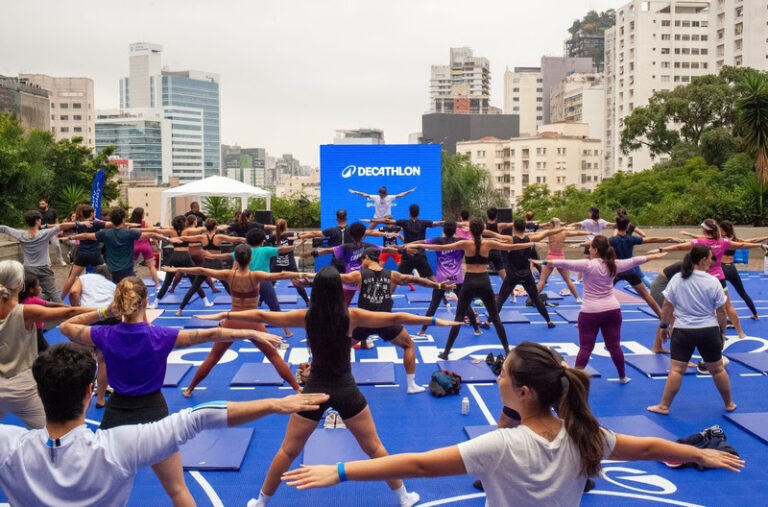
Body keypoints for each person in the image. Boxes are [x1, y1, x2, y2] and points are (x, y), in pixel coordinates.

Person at [281, 341, 744, 507]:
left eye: (501, 374)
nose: (496, 378)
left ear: (524, 393)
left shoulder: (500, 446)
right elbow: (645, 449)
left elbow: (420, 466)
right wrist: (698, 452)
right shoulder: (585, 436)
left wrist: (339, 471)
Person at [200, 266, 459, 507]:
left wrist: (227, 314)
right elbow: (394, 316)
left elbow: (261, 314)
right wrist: (436, 322)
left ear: (317, 291)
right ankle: (404, 497)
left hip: (314, 391)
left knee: (288, 450)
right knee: (374, 448)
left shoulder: (306, 317)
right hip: (347, 390)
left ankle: (261, 502)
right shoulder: (352, 316)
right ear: (338, 289)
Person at [0, 341, 328, 506]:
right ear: (90, 391)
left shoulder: (8, 446)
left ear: (39, 391)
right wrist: (275, 403)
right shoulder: (118, 447)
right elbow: (199, 417)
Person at [59, 276, 285, 506]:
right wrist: (253, 333)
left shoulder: (104, 335)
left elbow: (65, 326)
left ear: (119, 303)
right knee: (177, 490)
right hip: (155, 414)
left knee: (99, 489)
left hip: (117, 414)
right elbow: (214, 334)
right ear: (145, 301)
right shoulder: (161, 336)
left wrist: (104, 312)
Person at [164, 244, 309, 396]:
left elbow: (201, 270)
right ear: (250, 258)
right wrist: (309, 275)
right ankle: (297, 388)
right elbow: (281, 275)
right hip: (252, 321)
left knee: (213, 357)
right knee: (273, 356)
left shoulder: (229, 274)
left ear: (236, 259)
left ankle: (189, 389)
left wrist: (177, 270)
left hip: (232, 321)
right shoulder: (255, 275)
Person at [531, 236, 667, 383]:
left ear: (595, 250)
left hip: (590, 313)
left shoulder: (588, 265)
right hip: (612, 311)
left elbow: (565, 263)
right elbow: (635, 260)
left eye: (590, 247)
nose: (589, 249)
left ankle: (575, 380)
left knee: (585, 348)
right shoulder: (614, 264)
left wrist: (543, 262)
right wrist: (655, 255)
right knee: (614, 346)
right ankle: (623, 376)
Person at [417, 219, 539, 360]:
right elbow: (513, 247)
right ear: (482, 230)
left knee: (458, 317)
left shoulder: (465, 243)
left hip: (469, 282)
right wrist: (533, 244)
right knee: (495, 318)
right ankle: (507, 350)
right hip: (484, 282)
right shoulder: (488, 243)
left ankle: (446, 353)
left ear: (471, 231)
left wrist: (416, 244)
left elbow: (438, 248)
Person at [338, 247, 453, 393]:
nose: (361, 263)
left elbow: (330, 277)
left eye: (361, 260)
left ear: (366, 258)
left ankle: (342, 384)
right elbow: (415, 280)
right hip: (386, 321)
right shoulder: (392, 275)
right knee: (408, 345)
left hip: (363, 322)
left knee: (341, 349)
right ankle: (411, 385)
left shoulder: (358, 275)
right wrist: (437, 285)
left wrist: (301, 275)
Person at [0, 260, 93, 429]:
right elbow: (70, 312)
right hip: (22, 389)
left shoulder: (25, 310)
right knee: (56, 434)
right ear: (20, 284)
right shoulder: (24, 312)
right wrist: (106, 310)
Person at [647, 246, 736, 415]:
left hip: (683, 331)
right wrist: (722, 332)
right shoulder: (712, 281)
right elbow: (721, 311)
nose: (712, 261)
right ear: (702, 260)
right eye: (710, 258)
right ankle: (729, 403)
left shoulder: (678, 279)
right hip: (708, 331)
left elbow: (667, 306)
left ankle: (664, 406)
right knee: (717, 369)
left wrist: (664, 326)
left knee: (676, 370)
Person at [662, 219, 762, 339]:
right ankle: (740, 332)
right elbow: (742, 245)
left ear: (704, 229)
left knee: (703, 305)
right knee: (727, 305)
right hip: (719, 278)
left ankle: (704, 330)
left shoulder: (700, 241)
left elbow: (679, 247)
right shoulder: (723, 241)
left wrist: (662, 249)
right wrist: (760, 245)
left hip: (705, 279)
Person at [609, 215, 681, 353]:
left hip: (617, 271)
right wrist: (669, 238)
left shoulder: (612, 240)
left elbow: (597, 245)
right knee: (647, 297)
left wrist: (582, 245)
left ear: (616, 226)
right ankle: (662, 318)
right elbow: (652, 239)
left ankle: (581, 321)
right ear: (628, 225)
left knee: (599, 295)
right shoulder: (631, 239)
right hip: (629, 270)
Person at [492, 219, 564, 329]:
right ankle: (549, 321)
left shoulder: (510, 239)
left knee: (501, 299)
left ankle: (488, 322)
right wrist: (563, 229)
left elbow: (493, 234)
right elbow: (546, 233)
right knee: (536, 298)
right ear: (524, 228)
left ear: (513, 228)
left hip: (513, 275)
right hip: (526, 274)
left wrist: (477, 230)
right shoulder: (530, 239)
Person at [412, 221, 481, 337]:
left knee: (433, 306)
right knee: (465, 304)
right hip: (457, 279)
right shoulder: (461, 242)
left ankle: (422, 331)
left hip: (441, 279)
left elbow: (421, 242)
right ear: (455, 231)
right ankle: (477, 329)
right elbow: (478, 242)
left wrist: (408, 245)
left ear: (444, 231)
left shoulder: (438, 241)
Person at [70, 208, 167, 284]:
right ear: (123, 219)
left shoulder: (105, 233)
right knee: (134, 291)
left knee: (115, 292)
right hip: (127, 271)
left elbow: (86, 235)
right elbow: (152, 234)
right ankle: (154, 289)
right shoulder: (129, 233)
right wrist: (168, 239)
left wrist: (70, 237)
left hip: (112, 271)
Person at [0, 211, 78, 302]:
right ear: (37, 221)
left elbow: (4, 228)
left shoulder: (21, 234)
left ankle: (24, 310)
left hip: (28, 269)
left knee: (27, 293)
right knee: (52, 293)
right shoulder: (44, 233)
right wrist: (82, 223)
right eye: (40, 219)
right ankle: (65, 312)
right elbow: (61, 226)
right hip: (43, 268)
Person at [312, 222, 396, 306]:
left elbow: (328, 250)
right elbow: (386, 249)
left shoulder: (345, 247)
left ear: (351, 235)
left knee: (343, 306)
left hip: (350, 281)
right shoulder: (369, 246)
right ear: (363, 234)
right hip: (365, 281)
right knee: (370, 306)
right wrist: (400, 251)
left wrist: (317, 253)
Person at [172, 218, 245, 315]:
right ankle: (240, 308)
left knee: (194, 287)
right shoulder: (219, 237)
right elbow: (236, 239)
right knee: (228, 286)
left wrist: (173, 239)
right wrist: (247, 239)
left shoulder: (203, 237)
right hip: (217, 265)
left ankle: (180, 310)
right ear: (215, 227)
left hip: (206, 264)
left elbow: (186, 238)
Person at [151, 215, 213, 308]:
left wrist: (144, 229)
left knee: (167, 282)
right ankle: (206, 302)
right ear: (184, 222)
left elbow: (156, 231)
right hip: (185, 257)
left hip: (175, 256)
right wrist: (213, 226)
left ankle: (155, 303)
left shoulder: (171, 231)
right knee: (194, 281)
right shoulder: (187, 231)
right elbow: (201, 230)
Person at [373, 204, 444, 281]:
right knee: (431, 277)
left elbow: (387, 221)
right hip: (420, 254)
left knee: (397, 278)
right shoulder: (424, 223)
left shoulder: (404, 223)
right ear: (418, 213)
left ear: (409, 213)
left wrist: (374, 220)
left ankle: (388, 293)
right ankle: (439, 289)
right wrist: (453, 224)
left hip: (407, 254)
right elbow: (438, 223)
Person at [59, 204, 110, 301]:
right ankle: (110, 296)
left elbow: (64, 228)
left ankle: (60, 299)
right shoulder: (96, 223)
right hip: (95, 254)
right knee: (107, 276)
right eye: (94, 212)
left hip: (82, 253)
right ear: (91, 213)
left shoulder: (79, 224)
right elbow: (111, 224)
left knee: (71, 278)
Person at [719, 220, 764, 321]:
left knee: (719, 295)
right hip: (732, 268)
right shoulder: (735, 240)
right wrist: (765, 239)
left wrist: (688, 235)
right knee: (742, 292)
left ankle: (724, 318)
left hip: (721, 268)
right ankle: (755, 314)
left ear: (722, 229)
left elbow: (703, 238)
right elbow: (753, 240)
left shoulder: (720, 240)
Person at [535, 218, 585, 301]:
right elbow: (578, 233)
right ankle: (577, 298)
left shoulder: (550, 233)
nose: (549, 225)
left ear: (552, 224)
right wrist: (590, 233)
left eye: (550, 224)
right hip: (560, 258)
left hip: (550, 258)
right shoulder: (563, 232)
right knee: (568, 280)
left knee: (542, 280)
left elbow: (537, 235)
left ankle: (534, 299)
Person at [19, 272, 69, 354]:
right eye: (38, 286)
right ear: (31, 289)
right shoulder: (32, 300)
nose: (40, 288)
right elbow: (50, 304)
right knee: (46, 350)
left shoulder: (21, 300)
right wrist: (67, 307)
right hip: (36, 331)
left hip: (26, 330)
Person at [268, 219, 311, 305]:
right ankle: (307, 301)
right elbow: (304, 235)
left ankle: (260, 301)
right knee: (297, 281)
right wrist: (300, 239)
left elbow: (260, 239)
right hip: (289, 263)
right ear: (285, 227)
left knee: (271, 282)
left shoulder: (272, 237)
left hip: (277, 263)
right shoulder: (290, 235)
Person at [302, 209, 352, 273]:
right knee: (351, 280)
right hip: (349, 262)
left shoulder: (331, 231)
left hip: (336, 261)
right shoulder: (352, 230)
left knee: (334, 280)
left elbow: (314, 234)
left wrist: (298, 236)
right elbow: (368, 232)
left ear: (336, 218)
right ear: (346, 218)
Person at [570, 207, 611, 283]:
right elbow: (613, 224)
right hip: (599, 244)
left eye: (589, 212)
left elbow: (576, 224)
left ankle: (579, 279)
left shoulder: (587, 221)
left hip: (590, 244)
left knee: (585, 261)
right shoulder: (601, 221)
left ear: (592, 213)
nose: (588, 214)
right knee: (598, 262)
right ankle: (597, 278)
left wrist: (567, 226)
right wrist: (623, 221)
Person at [348, 186, 416, 226]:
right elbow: (364, 195)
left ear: (385, 194)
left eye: (381, 195)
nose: (380, 196)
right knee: (368, 231)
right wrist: (355, 192)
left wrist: (410, 191)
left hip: (387, 218)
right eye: (379, 194)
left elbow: (401, 195)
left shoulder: (390, 197)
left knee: (394, 230)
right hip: (376, 218)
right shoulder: (375, 197)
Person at [130, 207, 160, 286]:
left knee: (130, 267)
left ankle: (129, 284)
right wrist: (157, 247)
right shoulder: (145, 224)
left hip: (134, 246)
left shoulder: (129, 224)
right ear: (141, 215)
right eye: (143, 213)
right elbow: (153, 236)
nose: (144, 215)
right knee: (151, 266)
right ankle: (158, 285)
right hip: (145, 245)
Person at [38, 199, 66, 266]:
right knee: (45, 247)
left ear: (46, 204)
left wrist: (57, 230)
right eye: (40, 204)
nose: (41, 205)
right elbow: (38, 223)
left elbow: (56, 221)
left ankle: (60, 260)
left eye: (43, 204)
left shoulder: (53, 211)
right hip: (43, 231)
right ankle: (48, 262)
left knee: (57, 245)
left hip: (53, 230)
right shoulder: (38, 213)